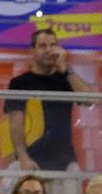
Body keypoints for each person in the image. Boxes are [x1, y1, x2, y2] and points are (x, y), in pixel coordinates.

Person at [7, 28, 93, 177]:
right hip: (31, 163)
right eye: (42, 46)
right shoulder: (19, 83)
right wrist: (23, 157)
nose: (48, 50)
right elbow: (15, 123)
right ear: (32, 51)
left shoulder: (66, 80)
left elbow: (88, 100)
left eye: (52, 45)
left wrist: (66, 69)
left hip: (64, 163)